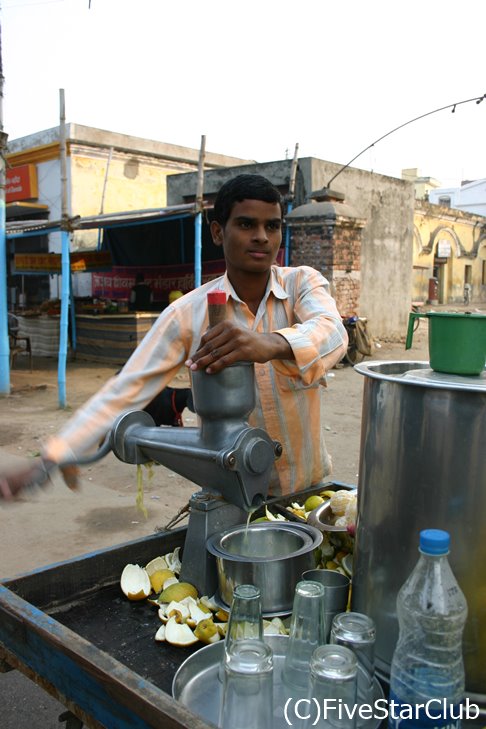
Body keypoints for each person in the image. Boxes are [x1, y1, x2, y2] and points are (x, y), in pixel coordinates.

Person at [0, 174, 348, 501]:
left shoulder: (302, 282)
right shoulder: (187, 313)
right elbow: (127, 389)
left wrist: (270, 344)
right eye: (246, 224)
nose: (262, 237)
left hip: (310, 492)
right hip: (232, 496)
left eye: (272, 226)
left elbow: (333, 331)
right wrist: (52, 457)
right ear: (216, 232)